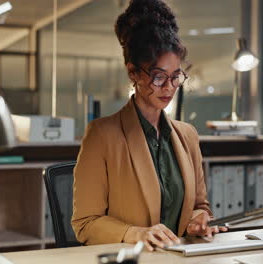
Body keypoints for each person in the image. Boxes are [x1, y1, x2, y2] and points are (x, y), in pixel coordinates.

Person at [71, 0, 226, 251]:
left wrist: (199, 221)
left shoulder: (187, 136)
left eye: (176, 76)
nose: (169, 87)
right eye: (158, 76)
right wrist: (135, 233)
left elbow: (200, 206)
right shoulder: (102, 135)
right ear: (133, 72)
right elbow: (85, 223)